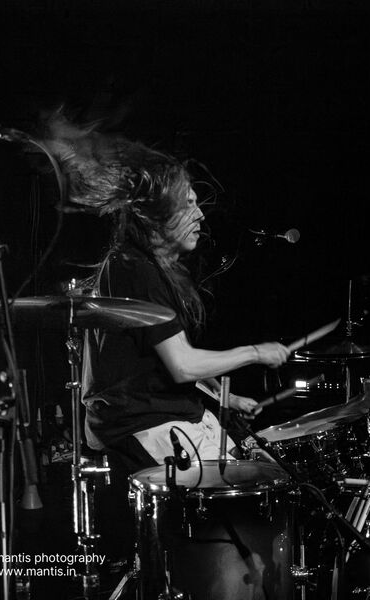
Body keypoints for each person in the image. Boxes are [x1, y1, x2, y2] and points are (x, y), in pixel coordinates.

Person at [47, 119, 290, 470]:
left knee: (269, 469)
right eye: (188, 204)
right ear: (156, 214)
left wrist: (227, 396)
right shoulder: (134, 269)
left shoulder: (149, 268)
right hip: (143, 425)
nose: (200, 214)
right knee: (252, 481)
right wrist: (254, 352)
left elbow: (160, 362)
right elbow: (182, 365)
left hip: (170, 414)